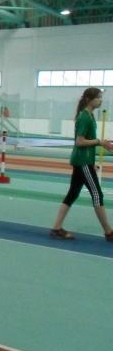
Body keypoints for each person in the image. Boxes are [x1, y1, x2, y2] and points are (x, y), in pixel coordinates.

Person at [50, 87, 113, 241]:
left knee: (73, 193)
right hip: (83, 162)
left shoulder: (89, 115)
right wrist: (99, 142)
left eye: (101, 97)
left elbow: (86, 141)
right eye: (98, 97)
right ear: (89, 99)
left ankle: (56, 228)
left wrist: (101, 146)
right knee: (97, 194)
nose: (101, 100)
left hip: (84, 161)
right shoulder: (84, 117)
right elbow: (80, 141)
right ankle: (109, 232)